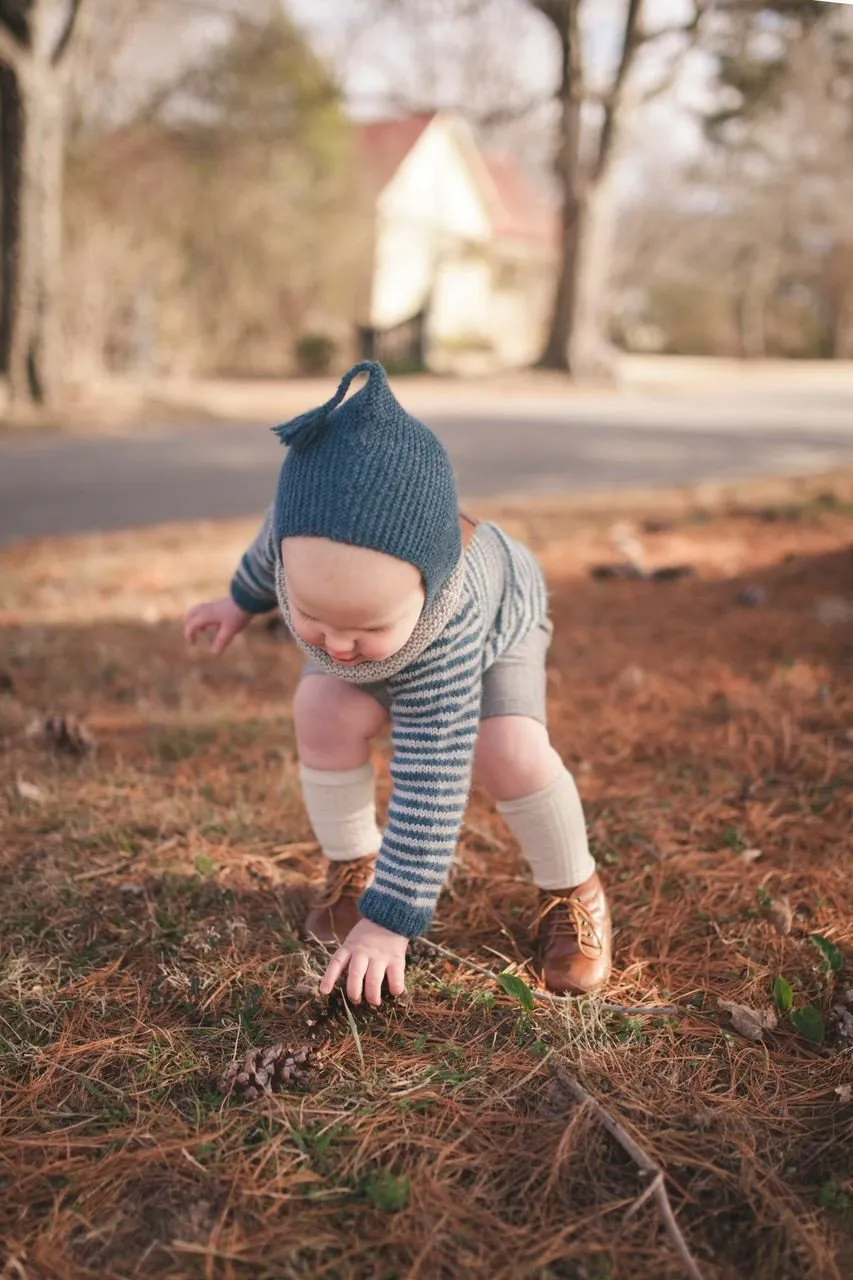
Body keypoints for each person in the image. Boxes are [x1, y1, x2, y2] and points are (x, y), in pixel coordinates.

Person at [184, 362, 611, 1006]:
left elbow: (431, 777)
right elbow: (269, 549)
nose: (338, 645)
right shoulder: (299, 532)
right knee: (322, 704)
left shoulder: (454, 619)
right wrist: (240, 602)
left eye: (365, 625)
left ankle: (574, 891)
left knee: (506, 751)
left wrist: (392, 921)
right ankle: (352, 862)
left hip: (499, 632)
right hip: (394, 626)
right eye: (314, 617)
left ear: (428, 586)